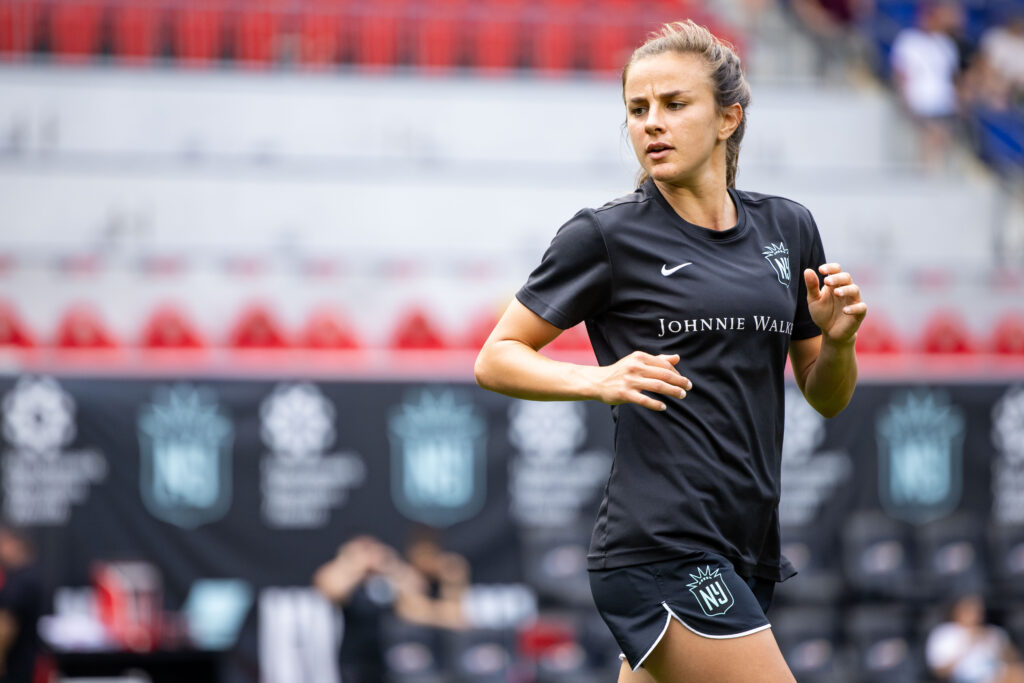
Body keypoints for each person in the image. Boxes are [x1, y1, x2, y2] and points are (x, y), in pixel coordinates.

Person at [474, 19, 866, 683]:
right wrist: (598, 380)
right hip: (659, 548)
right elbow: (496, 357)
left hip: (745, 543)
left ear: (728, 118)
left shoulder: (789, 227)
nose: (652, 122)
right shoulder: (604, 235)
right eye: (637, 108)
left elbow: (826, 394)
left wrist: (839, 339)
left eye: (674, 104)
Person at [889, 0, 965, 167]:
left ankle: (932, 169)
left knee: (944, 131)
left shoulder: (945, 43)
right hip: (918, 100)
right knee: (934, 131)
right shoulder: (908, 40)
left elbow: (952, 76)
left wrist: (958, 101)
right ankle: (927, 170)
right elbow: (900, 73)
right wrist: (905, 100)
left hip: (943, 101)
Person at [926, 594, 1024, 683]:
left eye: (978, 610)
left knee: (1018, 672)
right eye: (969, 609)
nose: (975, 614)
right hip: (965, 678)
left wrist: (996, 645)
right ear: (957, 610)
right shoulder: (945, 633)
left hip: (997, 672)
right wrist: (966, 645)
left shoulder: (993, 631)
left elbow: (1014, 658)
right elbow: (939, 672)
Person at [0, 525, 42, 683]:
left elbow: (6, 623)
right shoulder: (21, 576)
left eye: (3, 543)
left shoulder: (21, 580)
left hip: (16, 668)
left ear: (15, 543)